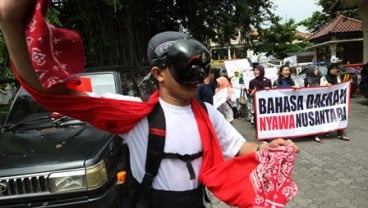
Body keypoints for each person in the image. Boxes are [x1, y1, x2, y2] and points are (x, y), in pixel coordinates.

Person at [0, 1, 299, 207]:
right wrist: (11, 23)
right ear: (158, 73)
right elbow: (51, 94)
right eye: (185, 69)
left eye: (199, 70)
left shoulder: (206, 113)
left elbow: (237, 147)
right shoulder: (134, 114)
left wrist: (267, 148)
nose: (195, 78)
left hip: (195, 202)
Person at [320, 63, 350, 141]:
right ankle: (326, 131)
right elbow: (320, 88)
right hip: (327, 101)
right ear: (329, 69)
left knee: (339, 115)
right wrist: (326, 85)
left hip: (337, 101)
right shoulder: (324, 78)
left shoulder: (338, 77)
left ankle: (340, 133)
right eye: (332, 68)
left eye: (335, 69)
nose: (334, 70)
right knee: (327, 116)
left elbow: (340, 87)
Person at [304, 64, 322, 142]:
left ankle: (316, 134)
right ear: (311, 70)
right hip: (308, 102)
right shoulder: (306, 79)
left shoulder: (320, 78)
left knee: (316, 118)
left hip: (317, 101)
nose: (317, 71)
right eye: (315, 69)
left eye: (317, 69)